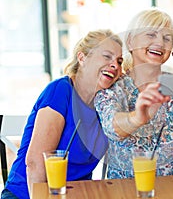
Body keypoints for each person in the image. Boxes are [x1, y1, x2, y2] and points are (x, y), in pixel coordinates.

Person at [94, 8, 173, 179]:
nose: (160, 43)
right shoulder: (113, 88)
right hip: (125, 190)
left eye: (167, 38)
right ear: (131, 41)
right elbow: (112, 128)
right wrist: (137, 118)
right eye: (151, 35)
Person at [1, 29, 123, 199]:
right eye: (107, 56)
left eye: (119, 61)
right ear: (82, 58)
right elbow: (35, 164)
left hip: (77, 194)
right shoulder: (61, 91)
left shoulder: (107, 104)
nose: (115, 65)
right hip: (29, 194)